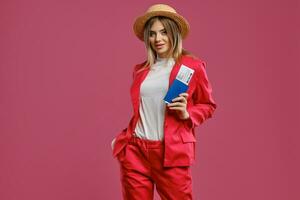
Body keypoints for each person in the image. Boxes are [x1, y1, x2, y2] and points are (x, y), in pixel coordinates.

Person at [111, 4, 217, 200]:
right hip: (136, 150)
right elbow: (142, 109)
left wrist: (188, 113)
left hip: (170, 153)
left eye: (163, 32)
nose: (157, 39)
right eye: (152, 34)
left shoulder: (192, 67)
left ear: (173, 33)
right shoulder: (141, 70)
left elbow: (208, 106)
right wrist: (122, 140)